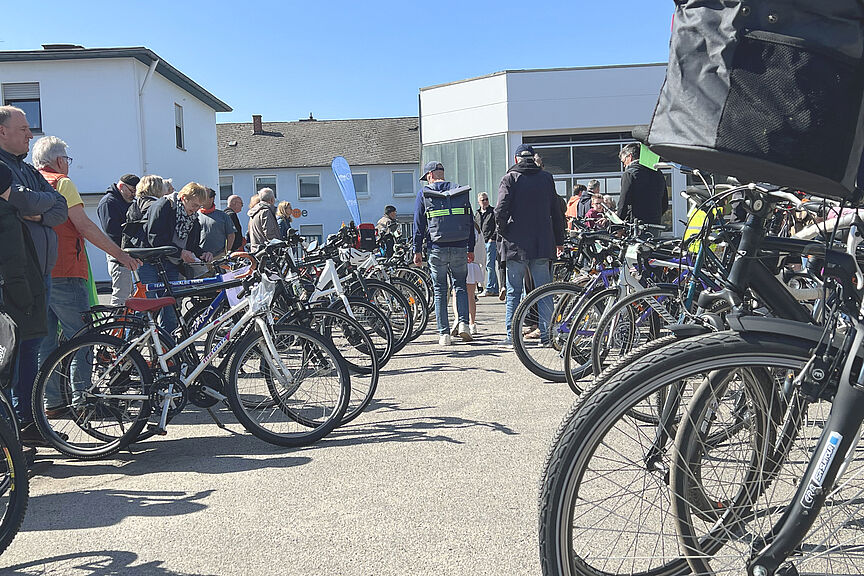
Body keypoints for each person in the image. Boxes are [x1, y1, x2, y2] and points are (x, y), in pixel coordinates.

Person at [32, 136, 141, 416]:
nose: (68, 165)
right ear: (59, 161)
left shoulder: (30, 182)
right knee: (83, 339)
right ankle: (84, 402)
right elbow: (85, 227)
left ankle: (52, 403)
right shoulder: (62, 183)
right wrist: (121, 254)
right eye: (67, 160)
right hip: (66, 270)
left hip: (37, 272)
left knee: (46, 343)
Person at [0, 106, 68, 444]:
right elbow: (22, 201)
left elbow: (59, 208)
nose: (31, 134)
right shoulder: (2, 168)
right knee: (15, 351)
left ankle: (27, 423)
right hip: (14, 274)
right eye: (24, 128)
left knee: (32, 346)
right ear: (2, 131)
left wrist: (37, 211)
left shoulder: (26, 169)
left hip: (39, 273)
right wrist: (34, 203)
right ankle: (16, 428)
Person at [495, 144, 565, 346]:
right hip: (542, 243)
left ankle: (512, 337)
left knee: (513, 292)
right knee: (544, 293)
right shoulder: (546, 178)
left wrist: (503, 231)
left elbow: (500, 210)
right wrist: (559, 240)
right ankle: (547, 336)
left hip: (515, 245)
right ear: (533, 158)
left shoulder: (509, 178)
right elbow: (556, 212)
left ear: (516, 159)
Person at [0, 160, 48, 447]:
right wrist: (26, 300)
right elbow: (13, 264)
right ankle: (12, 442)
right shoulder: (6, 215)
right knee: (11, 366)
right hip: (13, 302)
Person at [413, 161, 475, 346]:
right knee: (460, 286)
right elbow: (470, 219)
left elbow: (418, 224)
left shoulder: (424, 194)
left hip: (436, 247)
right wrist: (470, 247)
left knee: (440, 290)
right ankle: (463, 324)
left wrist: (417, 250)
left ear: (430, 175)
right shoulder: (459, 191)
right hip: (460, 245)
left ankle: (444, 334)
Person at [140, 182, 212, 334]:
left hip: (172, 264)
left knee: (171, 309)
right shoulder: (164, 206)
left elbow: (192, 246)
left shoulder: (193, 218)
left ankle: (168, 345)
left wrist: (203, 253)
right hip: (150, 261)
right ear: (183, 198)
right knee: (145, 307)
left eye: (199, 206)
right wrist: (180, 253)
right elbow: (155, 239)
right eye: (194, 205)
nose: (196, 209)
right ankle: (131, 344)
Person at [98, 173, 139, 306]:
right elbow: (112, 231)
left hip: (127, 253)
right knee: (121, 295)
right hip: (118, 254)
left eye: (136, 191)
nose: (134, 195)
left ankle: (124, 318)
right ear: (121, 186)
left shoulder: (125, 201)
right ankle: (116, 319)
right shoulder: (108, 202)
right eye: (132, 191)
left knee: (130, 295)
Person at [616, 142, 668, 225]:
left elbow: (623, 202)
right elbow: (664, 204)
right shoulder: (658, 173)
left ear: (629, 157)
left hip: (637, 224)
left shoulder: (629, 174)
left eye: (623, 162)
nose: (624, 166)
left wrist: (617, 223)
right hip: (655, 224)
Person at [452, 221, 486, 336]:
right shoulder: (476, 229)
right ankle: (472, 324)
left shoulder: (458, 225)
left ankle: (458, 319)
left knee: (456, 293)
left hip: (460, 262)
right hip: (473, 264)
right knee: (470, 295)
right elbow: (482, 249)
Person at [122, 175, 166, 248]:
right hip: (152, 249)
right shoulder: (158, 206)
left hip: (133, 247)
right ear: (159, 188)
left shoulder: (133, 206)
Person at [198, 187, 235, 259]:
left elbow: (231, 235)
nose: (201, 199)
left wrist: (227, 252)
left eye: (204, 197)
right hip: (200, 256)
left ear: (212, 199)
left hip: (218, 256)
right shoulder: (195, 215)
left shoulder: (223, 216)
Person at [475, 192, 499, 296]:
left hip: (490, 242)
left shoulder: (493, 212)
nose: (485, 202)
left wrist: (492, 238)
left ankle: (490, 288)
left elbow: (497, 226)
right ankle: (494, 288)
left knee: (490, 265)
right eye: (483, 200)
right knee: (483, 265)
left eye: (486, 199)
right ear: (479, 202)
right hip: (481, 242)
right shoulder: (477, 214)